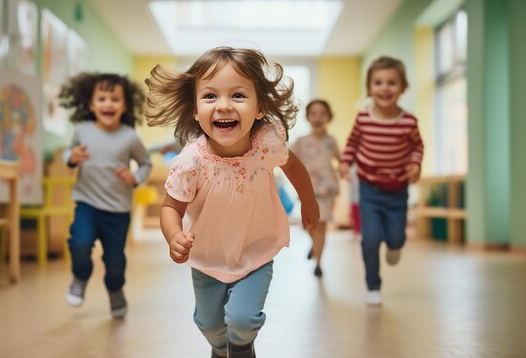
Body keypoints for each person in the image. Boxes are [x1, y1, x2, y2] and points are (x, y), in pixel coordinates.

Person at [145, 47, 320, 358]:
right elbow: (172, 207)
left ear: (260, 107)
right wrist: (174, 236)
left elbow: (294, 167)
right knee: (210, 324)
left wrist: (308, 202)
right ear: (195, 110)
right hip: (207, 257)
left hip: (256, 250)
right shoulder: (191, 161)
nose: (223, 106)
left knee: (243, 320)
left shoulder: (267, 144)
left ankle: (241, 347)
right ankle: (219, 348)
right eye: (210, 96)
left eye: (238, 95)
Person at [58, 72, 152, 318]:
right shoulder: (82, 131)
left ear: (125, 106)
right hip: (87, 204)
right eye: (101, 98)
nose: (108, 104)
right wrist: (71, 158)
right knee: (79, 244)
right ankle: (79, 277)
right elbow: (68, 153)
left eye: (114, 99)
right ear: (90, 104)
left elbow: (145, 164)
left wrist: (135, 178)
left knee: (114, 264)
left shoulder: (130, 137)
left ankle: (115, 290)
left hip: (118, 211)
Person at [338, 56, 424, 306]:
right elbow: (352, 144)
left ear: (403, 88)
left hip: (398, 188)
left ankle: (395, 245)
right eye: (378, 83)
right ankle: (373, 285)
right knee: (371, 238)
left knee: (396, 236)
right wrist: (345, 162)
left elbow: (417, 146)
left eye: (392, 83)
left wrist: (415, 164)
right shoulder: (363, 118)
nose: (385, 88)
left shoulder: (408, 121)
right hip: (370, 187)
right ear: (370, 88)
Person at [291, 99, 340, 277]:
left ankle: (318, 263)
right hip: (307, 189)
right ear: (308, 117)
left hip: (327, 190)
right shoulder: (301, 141)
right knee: (308, 225)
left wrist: (345, 168)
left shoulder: (331, 141)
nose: (318, 117)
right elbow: (288, 160)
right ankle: (315, 245)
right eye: (313, 113)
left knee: (322, 225)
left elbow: (341, 160)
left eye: (322, 113)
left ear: (328, 117)